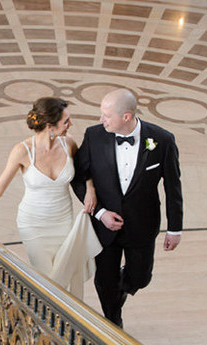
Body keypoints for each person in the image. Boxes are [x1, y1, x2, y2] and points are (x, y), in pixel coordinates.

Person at [0, 97, 101, 297]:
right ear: (50, 126)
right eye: (66, 121)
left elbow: (86, 169)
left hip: (63, 221)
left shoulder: (69, 144)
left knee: (65, 274)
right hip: (34, 225)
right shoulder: (22, 151)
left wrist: (90, 187)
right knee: (48, 282)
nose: (71, 124)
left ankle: (62, 322)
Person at [71, 88, 183, 328]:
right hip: (104, 226)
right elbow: (78, 177)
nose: (101, 120)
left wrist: (175, 229)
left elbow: (173, 187)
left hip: (142, 225)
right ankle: (114, 323)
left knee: (140, 278)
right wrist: (100, 213)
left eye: (106, 115)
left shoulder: (162, 140)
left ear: (126, 117)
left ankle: (122, 291)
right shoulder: (94, 136)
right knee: (105, 281)